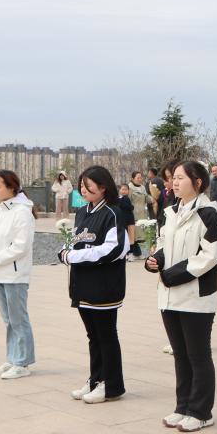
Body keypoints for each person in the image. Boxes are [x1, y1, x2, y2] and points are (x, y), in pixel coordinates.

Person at [144, 161, 217, 432]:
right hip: (169, 296)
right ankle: (183, 406)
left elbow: (210, 256)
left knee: (198, 355)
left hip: (196, 296)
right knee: (180, 354)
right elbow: (164, 245)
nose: (174, 182)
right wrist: (155, 261)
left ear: (197, 182)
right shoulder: (171, 212)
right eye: (173, 178)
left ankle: (201, 412)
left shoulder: (209, 214)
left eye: (180, 178)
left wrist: (171, 275)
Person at [60, 165, 129, 404]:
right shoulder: (82, 212)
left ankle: (111, 385)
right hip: (82, 284)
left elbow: (115, 249)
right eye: (81, 184)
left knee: (106, 336)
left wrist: (75, 256)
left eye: (89, 185)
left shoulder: (113, 213)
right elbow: (74, 240)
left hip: (104, 285)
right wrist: (65, 250)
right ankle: (95, 379)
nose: (83, 189)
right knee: (93, 336)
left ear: (103, 187)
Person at [0, 170, 37, 380]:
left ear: (11, 187)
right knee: (8, 320)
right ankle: (13, 358)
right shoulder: (0, 210)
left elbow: (21, 246)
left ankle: (22, 362)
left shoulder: (22, 212)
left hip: (14, 274)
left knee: (18, 319)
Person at [118, 183, 140, 259]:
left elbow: (128, 207)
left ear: (128, 191)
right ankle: (127, 253)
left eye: (126, 189)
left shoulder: (126, 198)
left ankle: (130, 254)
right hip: (122, 221)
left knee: (130, 238)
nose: (124, 191)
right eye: (122, 189)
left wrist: (131, 206)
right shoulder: (120, 198)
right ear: (119, 190)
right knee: (125, 238)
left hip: (129, 221)